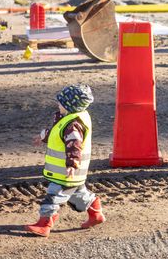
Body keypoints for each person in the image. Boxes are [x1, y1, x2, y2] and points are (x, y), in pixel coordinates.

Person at [25, 84, 105, 237]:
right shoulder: (69, 119)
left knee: (53, 197)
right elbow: (57, 133)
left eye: (61, 102)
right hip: (72, 172)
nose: (58, 104)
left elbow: (74, 144)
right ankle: (96, 214)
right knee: (79, 195)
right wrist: (42, 136)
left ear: (70, 106)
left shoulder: (73, 125)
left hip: (66, 171)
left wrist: (72, 163)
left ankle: (44, 225)